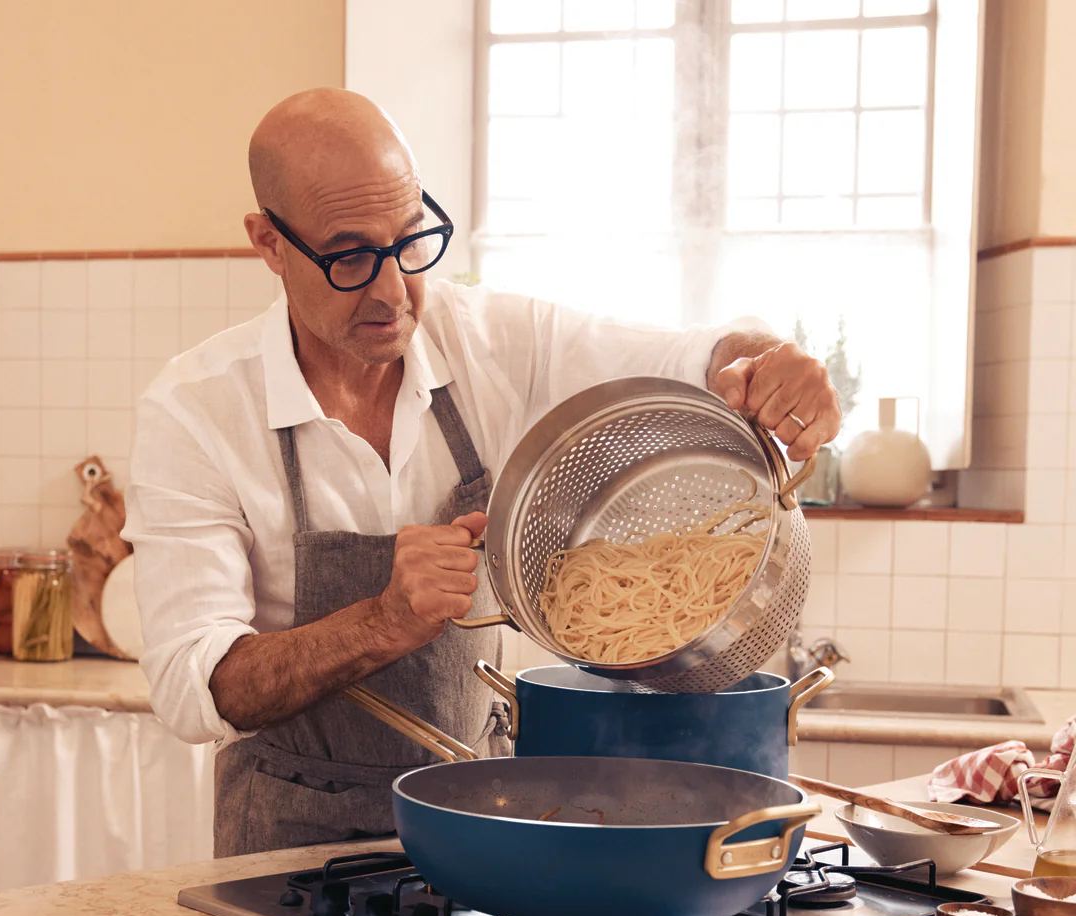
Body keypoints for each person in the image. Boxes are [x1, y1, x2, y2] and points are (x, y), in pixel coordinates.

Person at [124, 88, 841, 857]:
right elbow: (194, 688)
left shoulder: (493, 341)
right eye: (351, 256)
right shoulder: (195, 411)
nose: (393, 290)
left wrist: (767, 365)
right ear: (269, 243)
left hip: (482, 815)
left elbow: (693, 357)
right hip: (284, 840)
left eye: (410, 241)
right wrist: (381, 621)